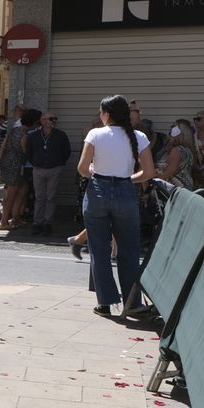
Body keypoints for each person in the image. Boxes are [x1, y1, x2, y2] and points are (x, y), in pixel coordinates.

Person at [79, 95, 155, 317]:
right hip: (125, 193)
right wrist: (126, 180)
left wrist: (96, 171)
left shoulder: (95, 134)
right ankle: (133, 303)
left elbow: (83, 169)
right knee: (129, 251)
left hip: (98, 192)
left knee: (99, 251)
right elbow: (149, 172)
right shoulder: (139, 136)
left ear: (107, 114)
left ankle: (105, 303)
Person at [25, 112, 71, 236]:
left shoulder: (61, 135)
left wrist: (59, 163)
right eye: (51, 119)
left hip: (54, 169)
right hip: (38, 169)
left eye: (55, 119)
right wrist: (35, 162)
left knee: (51, 196)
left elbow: (66, 151)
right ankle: (37, 223)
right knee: (39, 196)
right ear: (43, 121)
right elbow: (28, 151)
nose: (54, 121)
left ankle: (47, 223)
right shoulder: (34, 136)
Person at [0, 108, 40, 230]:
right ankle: (4, 221)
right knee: (11, 193)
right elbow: (26, 152)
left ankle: (15, 217)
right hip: (15, 164)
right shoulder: (24, 135)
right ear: (33, 123)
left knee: (23, 188)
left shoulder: (15, 130)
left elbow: (4, 145)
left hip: (7, 162)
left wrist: (0, 160)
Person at [155, 119, 196, 191]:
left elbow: (169, 172)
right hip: (186, 186)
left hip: (176, 189)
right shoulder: (187, 150)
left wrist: (153, 177)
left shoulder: (176, 151)